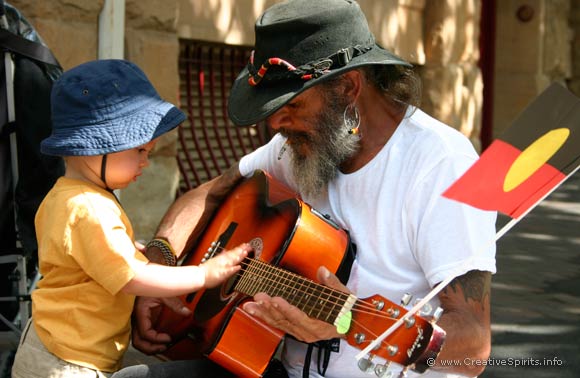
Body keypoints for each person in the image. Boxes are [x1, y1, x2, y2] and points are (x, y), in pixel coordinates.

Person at [132, 0, 497, 377]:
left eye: (291, 104)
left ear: (349, 87)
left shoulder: (441, 163)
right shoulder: (301, 146)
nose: (275, 122)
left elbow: (472, 348)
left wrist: (349, 324)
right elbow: (207, 195)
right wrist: (161, 268)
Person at [10, 59, 250, 378]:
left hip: (54, 346)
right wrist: (204, 274)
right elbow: (133, 277)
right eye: (139, 151)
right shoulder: (88, 208)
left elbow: (92, 261)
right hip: (69, 364)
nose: (145, 163)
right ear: (96, 145)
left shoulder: (66, 195)